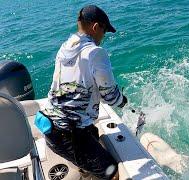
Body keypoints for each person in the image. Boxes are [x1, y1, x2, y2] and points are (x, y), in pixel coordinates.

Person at [43, 5, 127, 179]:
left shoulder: (64, 48)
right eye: (104, 32)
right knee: (114, 172)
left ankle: (85, 169)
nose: (103, 38)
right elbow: (110, 96)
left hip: (50, 128)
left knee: (93, 134)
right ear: (96, 27)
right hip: (68, 135)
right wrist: (123, 101)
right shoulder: (96, 52)